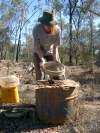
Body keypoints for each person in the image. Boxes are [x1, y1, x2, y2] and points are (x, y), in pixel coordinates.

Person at [32, 9, 61, 80]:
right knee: (40, 74)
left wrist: (55, 59)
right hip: (38, 51)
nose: (49, 26)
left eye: (51, 23)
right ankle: (41, 90)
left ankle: (58, 89)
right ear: (43, 22)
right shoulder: (36, 30)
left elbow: (55, 47)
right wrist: (42, 60)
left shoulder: (57, 30)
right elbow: (38, 48)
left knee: (56, 71)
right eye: (47, 23)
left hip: (50, 51)